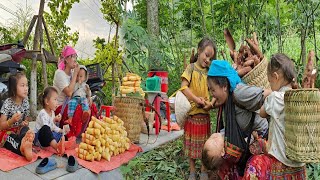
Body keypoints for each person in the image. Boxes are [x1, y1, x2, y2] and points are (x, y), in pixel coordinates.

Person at [202, 60, 271, 179]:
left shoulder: (239, 93)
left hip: (262, 138)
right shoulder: (226, 101)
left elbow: (270, 94)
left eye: (213, 90)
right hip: (247, 140)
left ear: (224, 86)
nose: (211, 94)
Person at [243, 53, 306, 179]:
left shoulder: (275, 98)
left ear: (276, 77)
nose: (270, 85)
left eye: (270, 81)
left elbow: (262, 112)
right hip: (299, 161)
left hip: (281, 161)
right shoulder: (299, 97)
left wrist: (269, 95)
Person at [181, 37, 217, 180]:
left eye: (210, 58)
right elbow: (184, 87)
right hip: (192, 115)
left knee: (203, 146)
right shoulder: (190, 68)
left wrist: (211, 102)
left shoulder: (210, 72)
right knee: (191, 147)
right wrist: (196, 99)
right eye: (206, 55)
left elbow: (215, 90)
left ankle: (203, 170)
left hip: (205, 116)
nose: (207, 59)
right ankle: (191, 171)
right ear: (199, 51)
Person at [53, 46, 97, 138]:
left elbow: (81, 88)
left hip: (72, 103)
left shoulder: (73, 73)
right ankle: (71, 134)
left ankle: (87, 131)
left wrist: (88, 97)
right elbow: (69, 92)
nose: (75, 60)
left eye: (76, 57)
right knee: (79, 108)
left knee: (90, 105)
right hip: (60, 108)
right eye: (73, 57)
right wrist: (75, 74)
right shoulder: (59, 73)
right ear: (66, 59)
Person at [0, 72, 34, 161]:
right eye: (22, 85)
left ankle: (25, 143)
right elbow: (1, 125)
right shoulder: (8, 103)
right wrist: (11, 121)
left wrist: (25, 122)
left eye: (27, 85)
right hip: (7, 132)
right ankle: (21, 147)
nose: (26, 88)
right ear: (14, 89)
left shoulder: (25, 102)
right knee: (10, 138)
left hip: (19, 130)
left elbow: (26, 120)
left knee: (26, 130)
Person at [34, 86, 67, 155]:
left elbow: (53, 127)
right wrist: (54, 120)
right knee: (46, 128)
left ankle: (63, 143)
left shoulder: (52, 113)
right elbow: (47, 128)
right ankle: (57, 147)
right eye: (55, 99)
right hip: (40, 138)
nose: (57, 102)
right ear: (47, 102)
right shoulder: (42, 113)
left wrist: (61, 130)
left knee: (62, 133)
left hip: (49, 137)